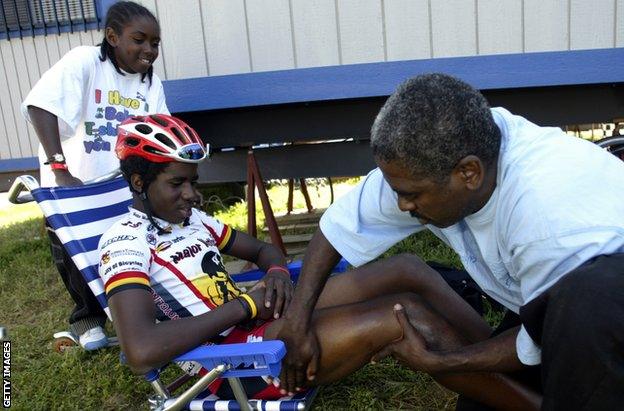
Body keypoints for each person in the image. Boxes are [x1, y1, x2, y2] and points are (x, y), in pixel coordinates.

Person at [98, 114, 539, 406]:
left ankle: (506, 363)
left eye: (193, 182)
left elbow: (264, 250)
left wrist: (273, 273)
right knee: (402, 315)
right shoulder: (124, 243)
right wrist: (246, 306)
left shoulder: (193, 221)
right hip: (231, 360)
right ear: (139, 181)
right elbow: (141, 350)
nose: (192, 194)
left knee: (408, 269)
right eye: (178, 184)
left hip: (258, 318)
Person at [276, 73, 624, 409]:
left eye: (411, 195)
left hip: (600, 318)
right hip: (554, 309)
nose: (401, 205)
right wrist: (298, 320)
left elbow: (536, 342)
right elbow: (336, 228)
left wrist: (445, 361)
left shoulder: (546, 218)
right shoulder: (441, 161)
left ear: (469, 173)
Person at [20, 1, 168, 350]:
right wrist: (59, 168)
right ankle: (87, 318)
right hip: (73, 175)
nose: (149, 49)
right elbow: (41, 105)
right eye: (139, 39)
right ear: (113, 36)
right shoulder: (85, 61)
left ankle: (144, 310)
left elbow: (159, 129)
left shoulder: (150, 83)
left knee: (128, 245)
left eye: (155, 43)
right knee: (74, 248)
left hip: (121, 181)